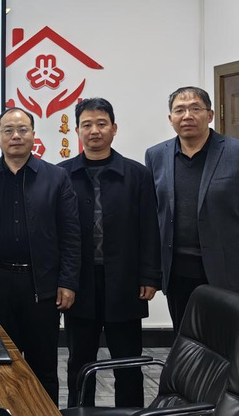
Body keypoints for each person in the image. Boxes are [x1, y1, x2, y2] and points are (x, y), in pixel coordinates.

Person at [0, 107, 80, 405]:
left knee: (43, 367)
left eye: (22, 129)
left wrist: (68, 281)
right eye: (8, 130)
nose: (16, 136)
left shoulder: (56, 178)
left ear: (33, 135)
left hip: (42, 286)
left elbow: (71, 235)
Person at [145, 86, 239, 333]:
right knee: (186, 340)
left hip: (231, 273)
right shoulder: (156, 155)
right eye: (179, 110)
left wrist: (235, 246)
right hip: (178, 274)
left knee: (231, 342)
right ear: (170, 118)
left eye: (195, 108)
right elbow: (155, 212)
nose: (187, 116)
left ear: (210, 115)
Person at [59, 98, 162, 408]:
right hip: (80, 284)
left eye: (101, 124)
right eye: (87, 125)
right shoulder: (62, 174)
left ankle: (130, 412)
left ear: (114, 129)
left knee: (127, 361)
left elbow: (150, 228)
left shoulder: (137, 174)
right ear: (77, 131)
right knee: (80, 361)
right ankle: (80, 411)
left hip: (125, 282)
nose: (94, 130)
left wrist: (149, 276)